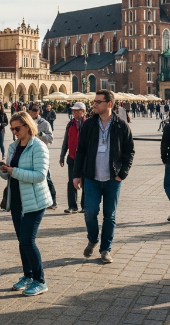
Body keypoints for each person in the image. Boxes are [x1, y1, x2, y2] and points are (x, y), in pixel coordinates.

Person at [73, 89, 135, 264]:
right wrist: (76, 175)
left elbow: (130, 151)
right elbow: (81, 151)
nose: (94, 105)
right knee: (90, 212)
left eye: (98, 102)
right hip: (92, 177)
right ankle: (93, 238)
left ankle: (105, 249)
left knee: (110, 215)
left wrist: (122, 173)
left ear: (109, 104)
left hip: (112, 179)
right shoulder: (89, 125)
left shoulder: (121, 125)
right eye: (94, 102)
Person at [0, 111, 52, 296]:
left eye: (17, 128)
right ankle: (28, 276)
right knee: (22, 241)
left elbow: (39, 175)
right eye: (12, 128)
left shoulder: (38, 146)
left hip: (35, 201)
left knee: (28, 241)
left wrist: (14, 171)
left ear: (28, 126)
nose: (14, 132)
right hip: (16, 200)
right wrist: (5, 170)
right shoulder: (13, 146)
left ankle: (40, 280)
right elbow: (8, 172)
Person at [28, 104, 57, 209]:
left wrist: (40, 134)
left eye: (37, 110)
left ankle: (53, 201)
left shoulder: (44, 123)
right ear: (29, 111)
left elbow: (50, 139)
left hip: (41, 154)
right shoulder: (25, 122)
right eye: (33, 110)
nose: (35, 112)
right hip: (28, 153)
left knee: (46, 176)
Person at [60, 102, 86, 214]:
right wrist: (62, 155)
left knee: (85, 181)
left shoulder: (88, 124)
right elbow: (66, 140)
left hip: (85, 159)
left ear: (83, 111)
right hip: (72, 157)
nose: (74, 113)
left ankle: (85, 206)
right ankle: (72, 206)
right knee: (71, 181)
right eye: (73, 111)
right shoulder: (70, 124)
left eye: (76, 110)